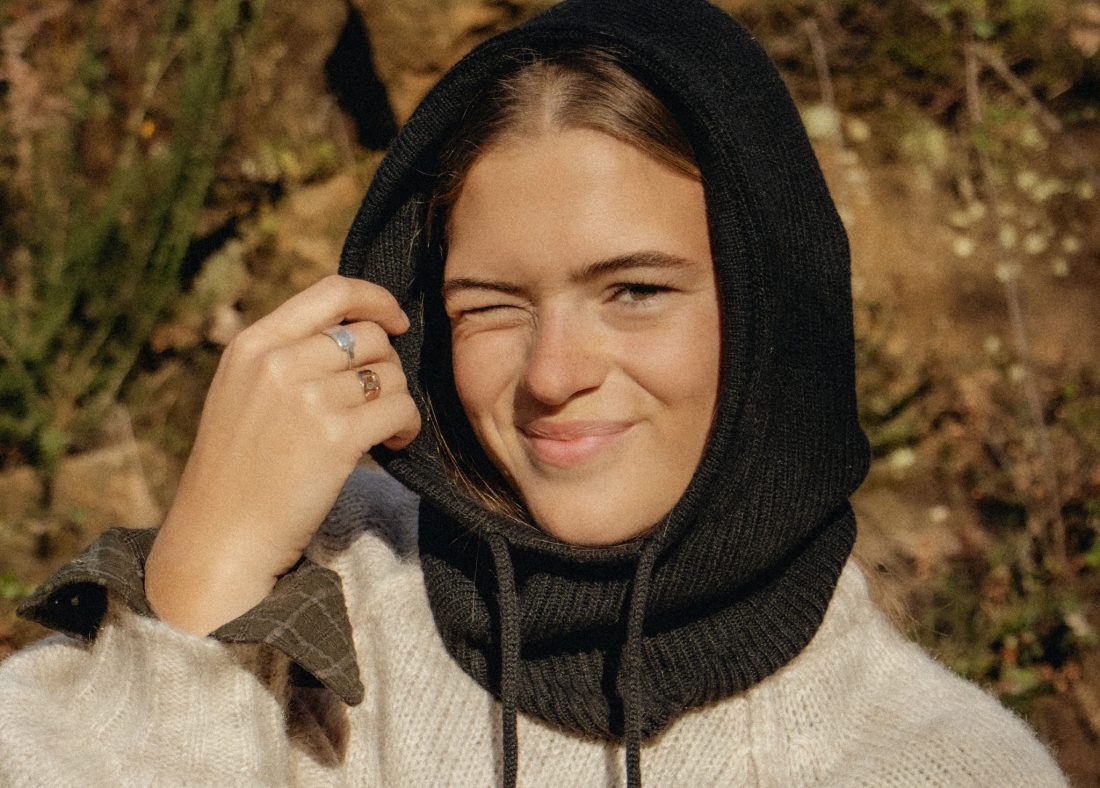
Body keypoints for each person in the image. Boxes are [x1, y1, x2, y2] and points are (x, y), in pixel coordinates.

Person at [0, 0, 1069, 785]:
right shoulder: (316, 610)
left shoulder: (943, 763)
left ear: (773, 304)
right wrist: (200, 591)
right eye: (490, 306)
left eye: (635, 290)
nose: (554, 373)